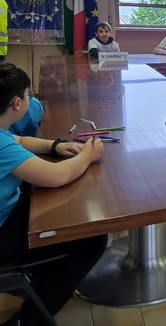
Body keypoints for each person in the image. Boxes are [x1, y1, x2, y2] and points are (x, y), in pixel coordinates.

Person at [0, 63, 107, 325]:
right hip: (3, 231)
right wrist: (88, 155)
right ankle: (28, 320)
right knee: (91, 239)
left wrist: (56, 146)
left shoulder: (3, 133)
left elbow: (19, 140)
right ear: (17, 104)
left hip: (9, 211)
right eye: (28, 95)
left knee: (59, 213)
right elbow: (56, 176)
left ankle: (40, 281)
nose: (30, 100)